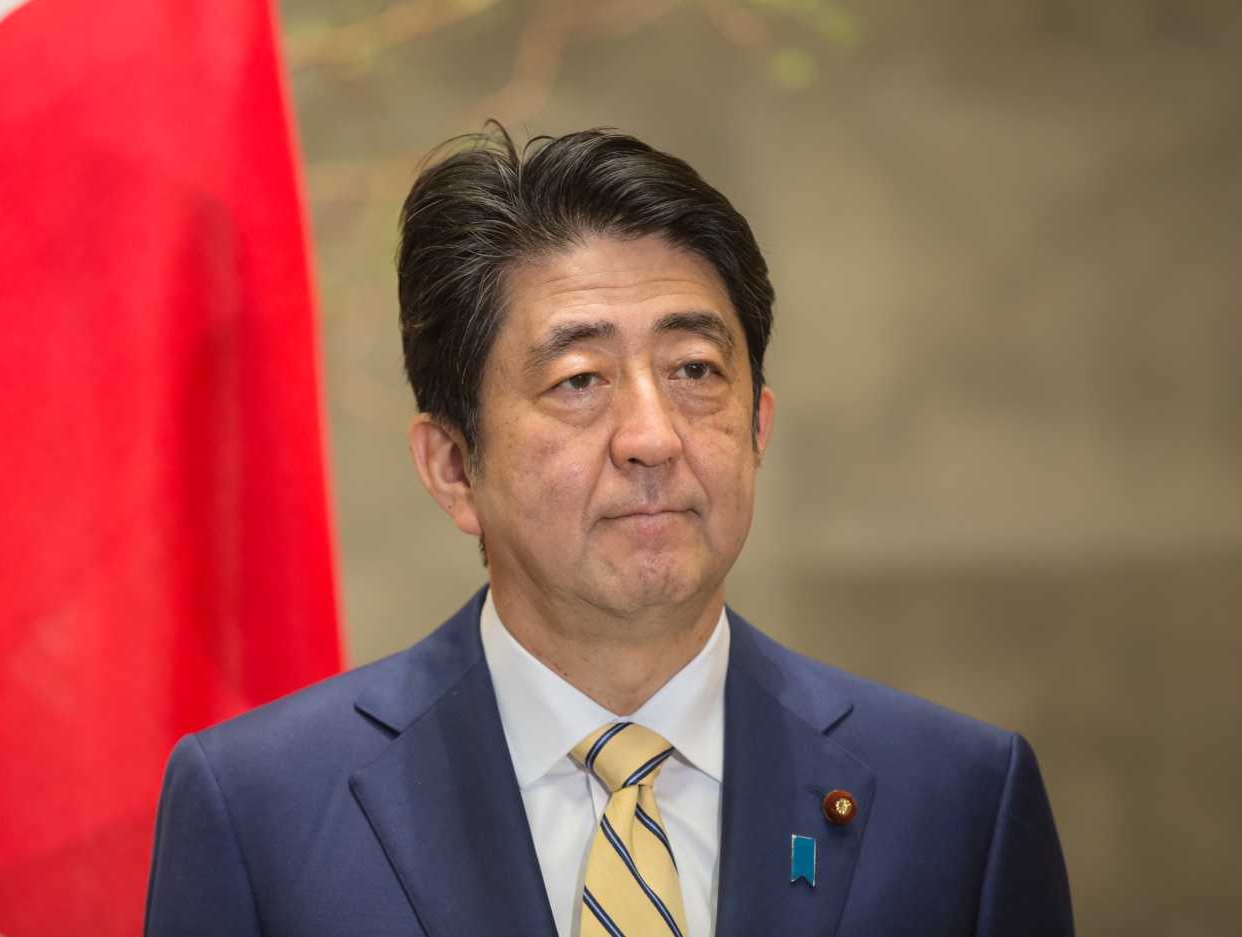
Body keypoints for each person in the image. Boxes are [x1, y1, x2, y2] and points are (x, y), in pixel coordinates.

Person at [144, 126, 1074, 937]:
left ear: (759, 427)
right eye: (580, 380)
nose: (653, 437)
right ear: (452, 466)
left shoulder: (956, 800)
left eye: (696, 369)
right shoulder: (260, 809)